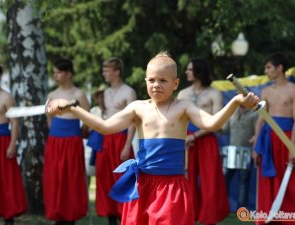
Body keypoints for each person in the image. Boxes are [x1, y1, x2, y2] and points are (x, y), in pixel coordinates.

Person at [46, 52, 259, 225]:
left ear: (175, 83)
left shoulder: (184, 107)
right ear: (145, 81)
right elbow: (104, 127)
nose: (156, 84)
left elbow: (212, 123)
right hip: (143, 185)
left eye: (163, 80)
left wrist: (234, 103)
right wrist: (74, 109)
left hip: (172, 187)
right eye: (151, 80)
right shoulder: (138, 107)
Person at [177, 58, 230, 225]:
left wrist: (194, 136)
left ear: (199, 71)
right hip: (186, 142)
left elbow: (217, 123)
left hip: (206, 140)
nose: (186, 72)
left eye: (190, 69)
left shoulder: (214, 93)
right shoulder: (182, 94)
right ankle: (188, 217)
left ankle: (210, 219)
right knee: (186, 181)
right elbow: (177, 120)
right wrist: (182, 138)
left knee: (210, 181)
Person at [43, 58, 90, 225]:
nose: (55, 75)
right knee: (55, 178)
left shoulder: (79, 94)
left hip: (72, 141)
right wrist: (54, 133)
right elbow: (49, 118)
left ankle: (71, 215)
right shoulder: (52, 95)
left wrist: (80, 133)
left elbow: (88, 119)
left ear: (68, 74)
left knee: (71, 178)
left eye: (59, 72)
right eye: (54, 72)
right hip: (55, 141)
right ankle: (57, 214)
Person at [253, 52, 295, 225]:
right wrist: (256, 146)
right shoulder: (265, 91)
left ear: (280, 68)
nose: (266, 71)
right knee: (267, 178)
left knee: (289, 179)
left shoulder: (293, 90)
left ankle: (289, 218)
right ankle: (266, 217)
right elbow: (260, 121)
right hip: (268, 139)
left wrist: (293, 148)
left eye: (269, 67)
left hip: (287, 138)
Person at [96, 57, 137, 225]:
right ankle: (110, 217)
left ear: (117, 72)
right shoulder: (105, 92)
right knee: (104, 177)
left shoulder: (129, 92)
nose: (103, 73)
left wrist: (127, 145)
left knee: (122, 178)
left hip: (121, 139)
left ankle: (125, 216)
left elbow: (134, 120)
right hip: (105, 139)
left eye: (107, 70)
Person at [0, 64, 27, 225]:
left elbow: (15, 122)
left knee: (6, 179)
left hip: (2, 142)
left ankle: (9, 216)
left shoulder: (6, 97)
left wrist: (13, 144)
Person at [220, 105, 258, 209]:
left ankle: (241, 208)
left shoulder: (254, 115)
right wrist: (215, 125)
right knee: (225, 179)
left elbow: (257, 132)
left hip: (246, 152)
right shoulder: (232, 113)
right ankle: (223, 206)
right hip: (232, 152)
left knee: (244, 181)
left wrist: (254, 139)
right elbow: (224, 130)